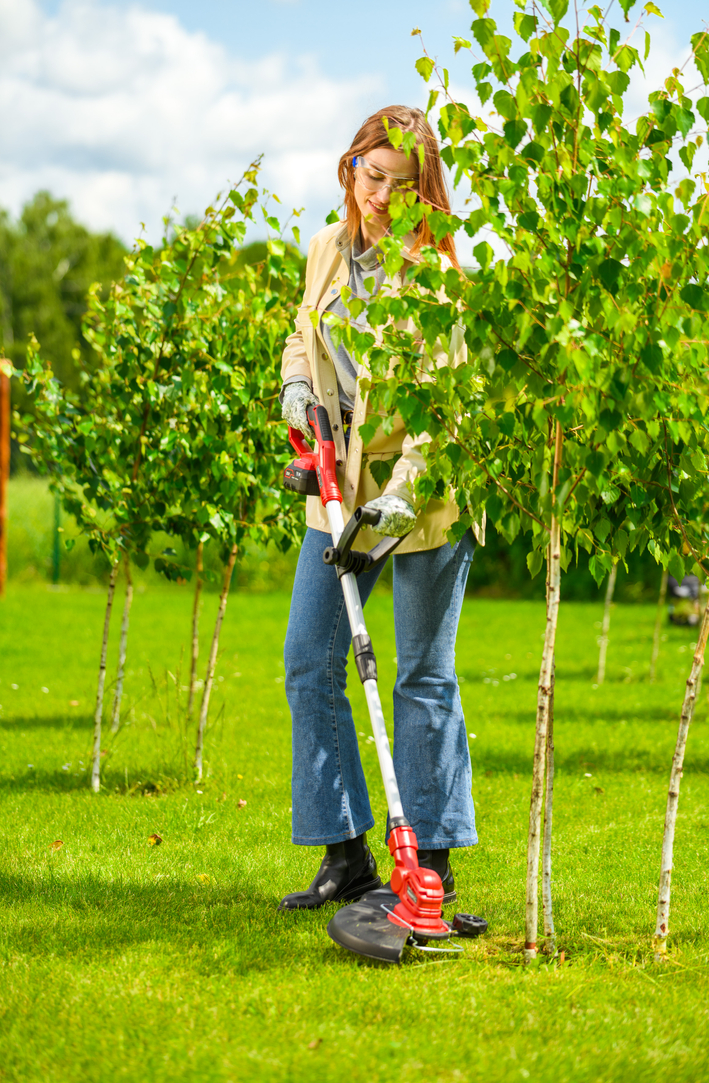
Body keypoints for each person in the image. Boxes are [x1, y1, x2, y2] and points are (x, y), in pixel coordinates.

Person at [278, 105, 480, 911]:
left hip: (421, 497)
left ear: (422, 190)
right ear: (351, 166)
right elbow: (304, 334)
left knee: (422, 676)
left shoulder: (437, 281)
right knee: (309, 660)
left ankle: (429, 862)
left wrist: (396, 505)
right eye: (371, 175)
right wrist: (297, 383)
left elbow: (445, 415)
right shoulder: (326, 248)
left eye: (400, 184)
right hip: (340, 490)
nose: (380, 197)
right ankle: (345, 853)